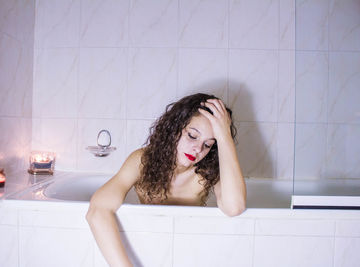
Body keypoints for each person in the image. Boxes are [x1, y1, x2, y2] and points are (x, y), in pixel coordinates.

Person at [86, 93, 247, 266]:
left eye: (208, 144)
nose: (198, 149)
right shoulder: (143, 160)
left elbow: (234, 207)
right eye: (192, 136)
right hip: (148, 243)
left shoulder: (208, 170)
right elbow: (97, 212)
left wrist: (224, 136)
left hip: (190, 250)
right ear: (175, 128)